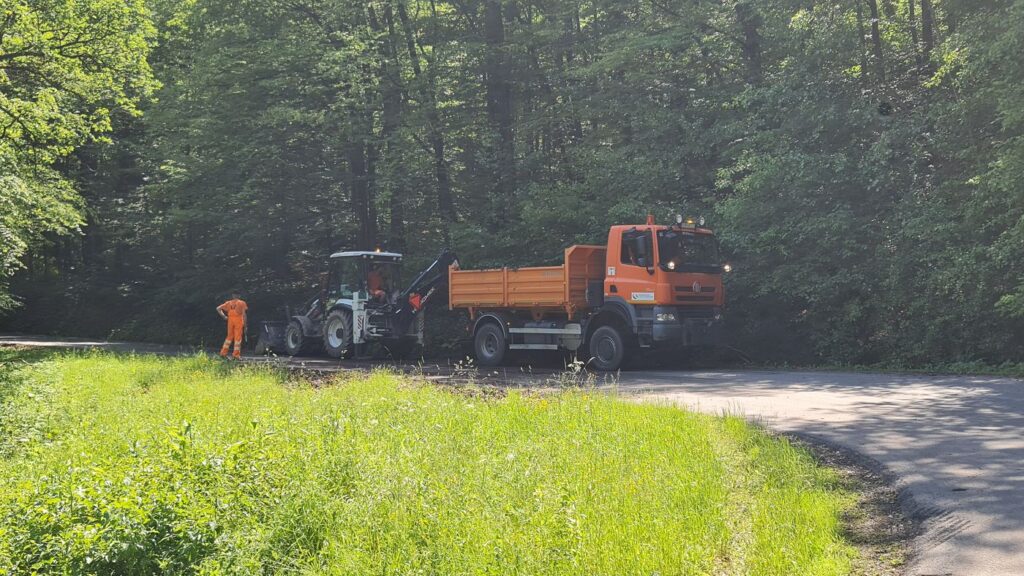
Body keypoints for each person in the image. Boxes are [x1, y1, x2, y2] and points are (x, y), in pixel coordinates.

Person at [216, 290, 248, 359]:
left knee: (229, 337)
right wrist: (245, 326)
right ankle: (236, 355)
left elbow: (218, 308)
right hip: (238, 320)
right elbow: (244, 315)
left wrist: (224, 316)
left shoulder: (228, 303)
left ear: (232, 296)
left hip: (230, 320)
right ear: (239, 296)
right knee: (238, 338)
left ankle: (223, 353)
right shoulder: (242, 303)